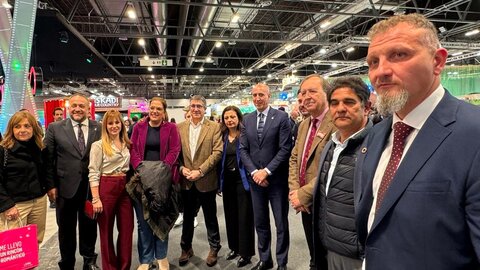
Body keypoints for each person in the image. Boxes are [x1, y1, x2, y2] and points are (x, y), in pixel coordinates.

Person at [355, 13, 480, 269]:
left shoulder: (473, 134)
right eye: (373, 62)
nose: (381, 72)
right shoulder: (376, 135)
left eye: (399, 55)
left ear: (437, 61)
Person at [312, 77, 372, 270]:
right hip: (329, 247)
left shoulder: (376, 147)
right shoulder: (332, 144)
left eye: (349, 102)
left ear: (366, 107)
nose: (340, 108)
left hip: (357, 255)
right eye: (334, 103)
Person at [44, 93, 102, 270]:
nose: (78, 109)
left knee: (89, 226)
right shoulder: (55, 128)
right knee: (66, 229)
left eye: (81, 106)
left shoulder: (98, 127)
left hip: (90, 189)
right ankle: (67, 262)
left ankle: (88, 260)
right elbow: (48, 159)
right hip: (64, 188)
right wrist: (51, 185)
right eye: (74, 105)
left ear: (87, 108)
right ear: (69, 107)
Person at [239, 83, 292, 270]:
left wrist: (266, 171)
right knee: (260, 223)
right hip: (256, 182)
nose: (257, 98)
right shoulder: (247, 119)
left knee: (281, 224)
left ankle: (282, 262)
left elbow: (285, 148)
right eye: (254, 95)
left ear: (269, 96)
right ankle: (265, 259)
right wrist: (255, 172)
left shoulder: (281, 117)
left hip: (276, 181)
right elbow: (243, 149)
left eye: (261, 94)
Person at [288, 74, 335, 270]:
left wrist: (303, 193)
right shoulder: (304, 124)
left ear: (327, 94)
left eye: (312, 91)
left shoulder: (336, 122)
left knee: (328, 253)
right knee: (313, 249)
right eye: (303, 92)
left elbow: (333, 166)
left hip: (327, 201)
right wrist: (295, 190)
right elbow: (294, 158)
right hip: (304, 202)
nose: (306, 96)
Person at [129, 97, 181, 270]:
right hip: (141, 180)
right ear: (148, 109)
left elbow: (175, 149)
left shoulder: (171, 128)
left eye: (159, 108)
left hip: (163, 180)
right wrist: (140, 168)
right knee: (143, 223)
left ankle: (161, 256)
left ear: (164, 111)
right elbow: (133, 149)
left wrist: (163, 169)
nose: (155, 111)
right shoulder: (139, 127)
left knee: (160, 218)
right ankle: (146, 259)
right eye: (152, 108)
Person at [177, 95, 223, 267]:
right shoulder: (179, 128)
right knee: (188, 216)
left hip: (206, 180)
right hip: (187, 181)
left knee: (210, 216)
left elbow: (217, 152)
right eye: (193, 106)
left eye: (199, 106)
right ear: (189, 108)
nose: (195, 109)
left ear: (205, 109)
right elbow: (176, 154)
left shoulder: (214, 127)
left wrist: (200, 171)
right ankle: (185, 247)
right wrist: (182, 169)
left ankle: (214, 248)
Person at [88, 110, 133, 270]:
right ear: (105, 126)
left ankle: (124, 266)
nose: (114, 126)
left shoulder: (127, 143)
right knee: (106, 231)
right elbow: (93, 172)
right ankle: (110, 267)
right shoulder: (98, 145)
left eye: (117, 122)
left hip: (125, 187)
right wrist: (96, 198)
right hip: (106, 186)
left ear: (122, 124)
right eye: (110, 123)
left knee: (127, 230)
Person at [0, 111, 51, 244]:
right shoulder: (4, 150)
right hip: (16, 206)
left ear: (34, 129)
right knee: (14, 246)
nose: (22, 130)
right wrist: (7, 206)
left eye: (27, 126)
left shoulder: (39, 148)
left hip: (38, 202)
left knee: (34, 243)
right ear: (11, 129)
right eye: (17, 126)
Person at [219, 106, 255, 268]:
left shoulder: (245, 135)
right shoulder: (223, 136)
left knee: (244, 217)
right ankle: (234, 248)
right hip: (227, 181)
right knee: (230, 215)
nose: (229, 120)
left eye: (232, 117)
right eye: (226, 118)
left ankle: (246, 253)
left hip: (243, 181)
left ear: (238, 118)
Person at [49, 107, 64, 209]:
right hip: (55, 166)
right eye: (57, 114)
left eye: (60, 114)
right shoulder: (51, 128)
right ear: (53, 116)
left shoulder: (65, 128)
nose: (59, 116)